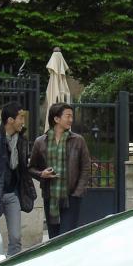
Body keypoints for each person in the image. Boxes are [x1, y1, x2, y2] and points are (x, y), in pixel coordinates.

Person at [0, 102, 44, 262]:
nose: (23, 121)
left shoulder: (21, 141)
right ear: (10, 120)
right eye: (21, 117)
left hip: (12, 194)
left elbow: (22, 168)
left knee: (16, 238)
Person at [30, 102, 92, 238]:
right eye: (68, 116)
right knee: (54, 238)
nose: (71, 119)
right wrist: (42, 174)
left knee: (66, 237)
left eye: (72, 116)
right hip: (50, 196)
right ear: (56, 119)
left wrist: (78, 193)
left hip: (71, 197)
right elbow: (31, 168)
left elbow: (86, 167)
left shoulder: (78, 140)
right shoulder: (40, 142)